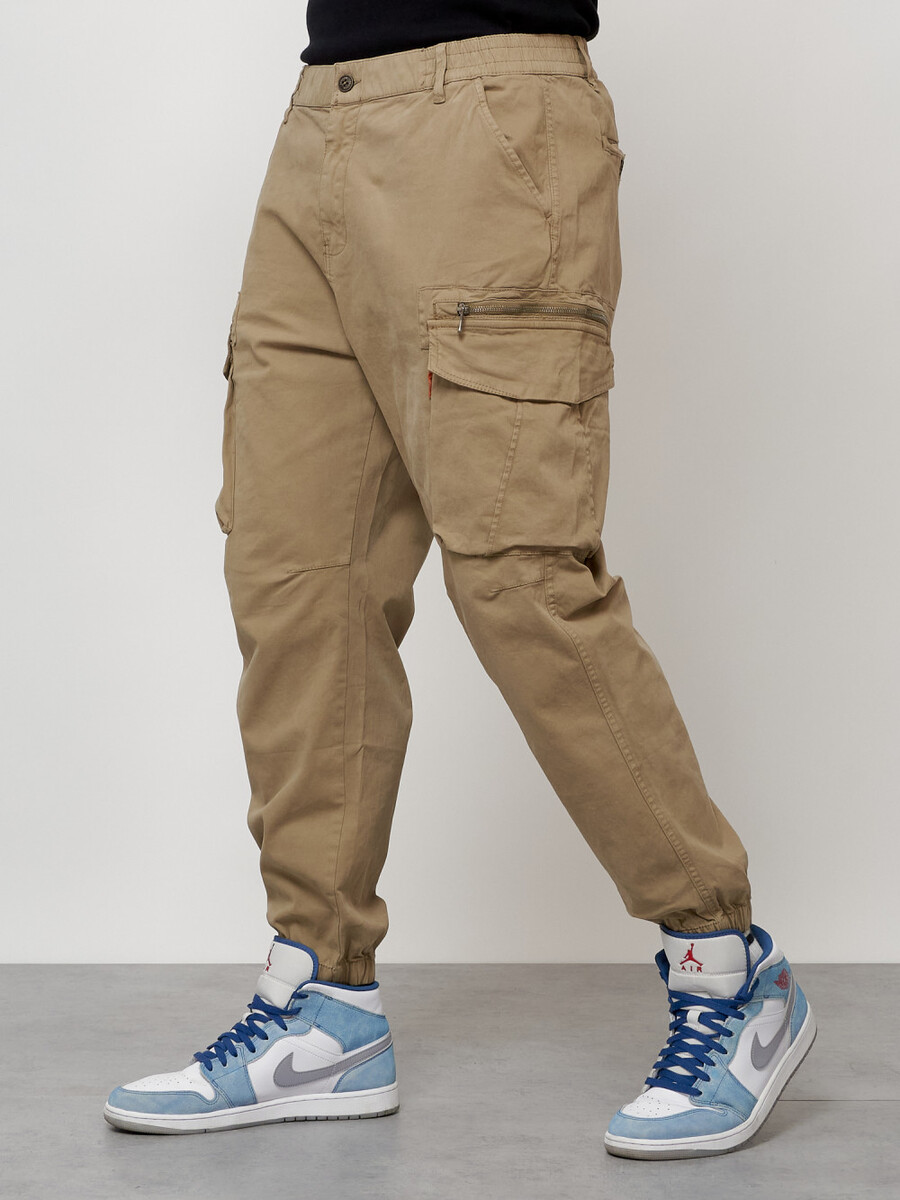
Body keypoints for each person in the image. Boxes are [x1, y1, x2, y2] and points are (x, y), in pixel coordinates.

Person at [104, 2, 816, 1158]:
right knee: (297, 575)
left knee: (517, 574)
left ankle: (728, 972)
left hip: (493, 116)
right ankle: (325, 1003)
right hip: (321, 116)